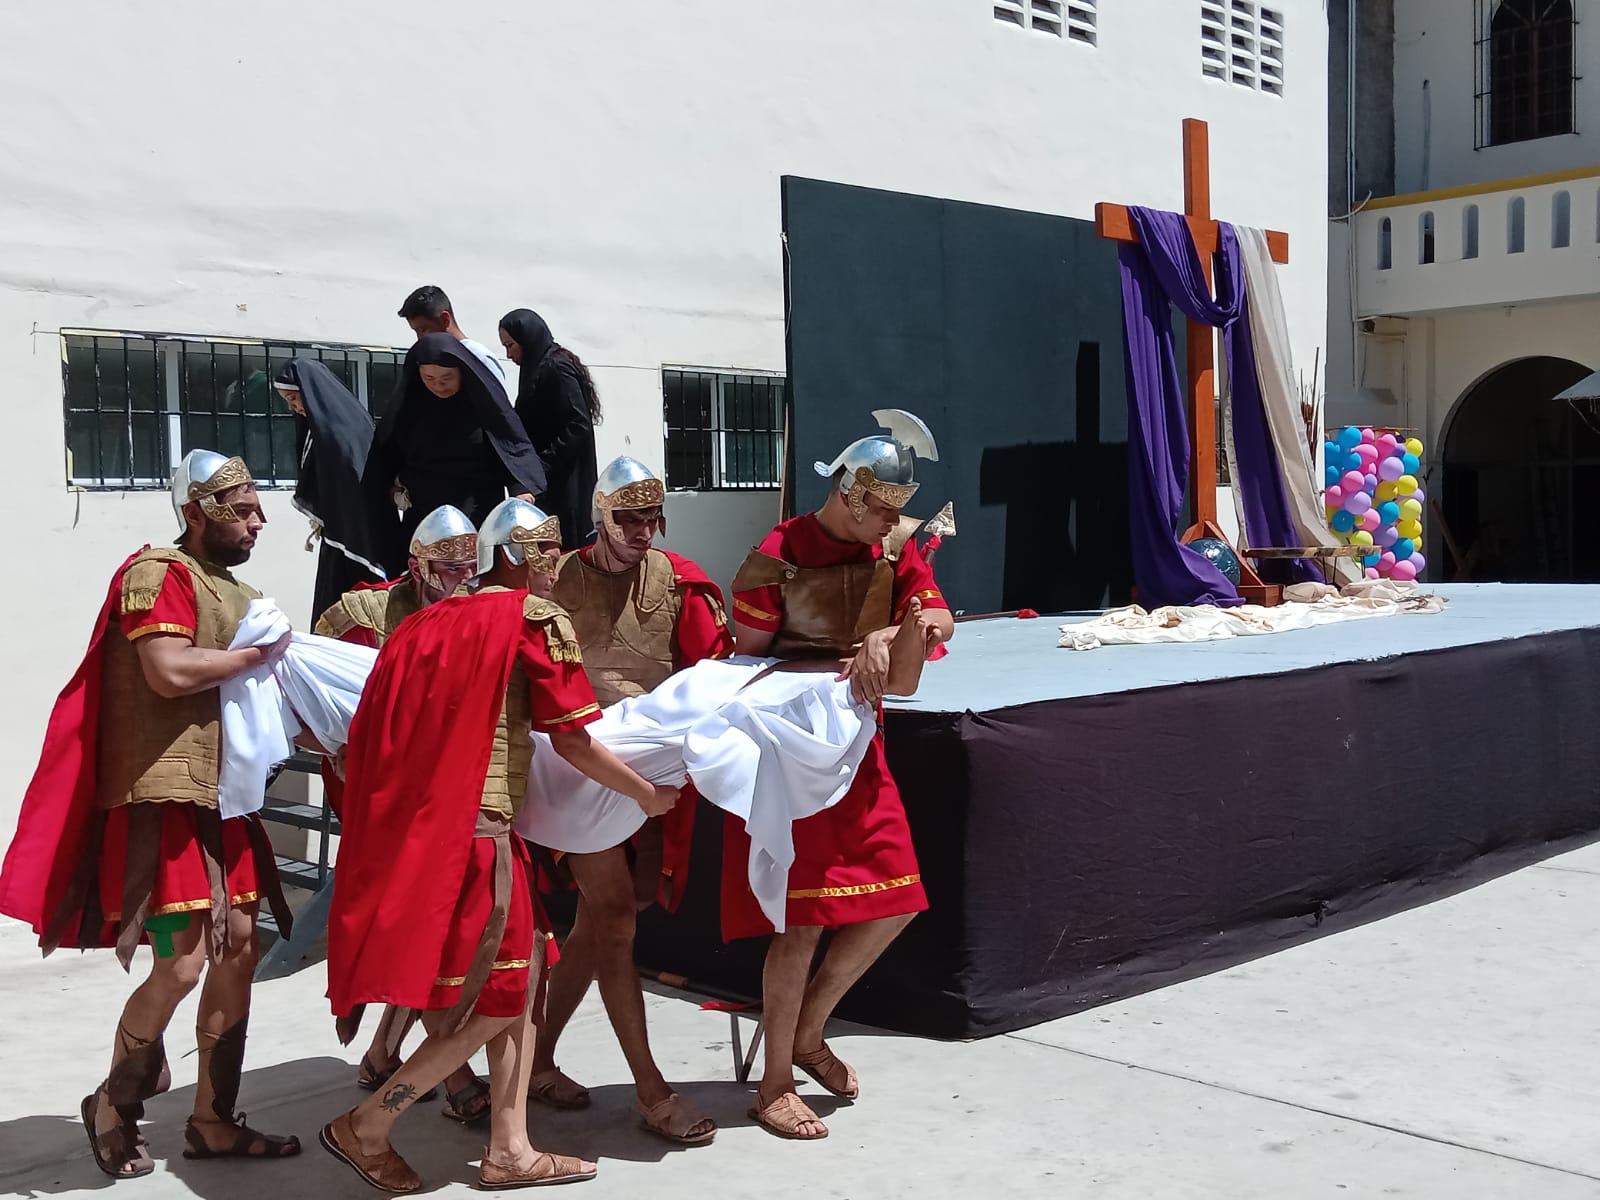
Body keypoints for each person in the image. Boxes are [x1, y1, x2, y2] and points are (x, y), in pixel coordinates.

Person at [320, 506, 680, 1192]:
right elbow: (572, 739)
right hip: (477, 837)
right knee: (500, 1000)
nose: (557, 567)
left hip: (431, 835)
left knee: (520, 980)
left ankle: (510, 1148)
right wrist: (644, 794)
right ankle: (370, 1120)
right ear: (520, 558)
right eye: (547, 554)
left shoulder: (423, 623)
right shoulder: (534, 620)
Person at [0, 450, 299, 1179]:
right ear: (196, 511)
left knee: (239, 952)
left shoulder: (241, 592)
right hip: (164, 800)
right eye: (242, 509)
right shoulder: (159, 573)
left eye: (259, 509)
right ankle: (114, 1101)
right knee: (182, 962)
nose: (259, 520)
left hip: (227, 799)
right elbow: (167, 672)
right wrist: (256, 657)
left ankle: (213, 1121)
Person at [724, 410, 954, 1140]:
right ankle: (773, 1086)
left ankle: (808, 1030)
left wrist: (892, 631)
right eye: (882, 508)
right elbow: (745, 661)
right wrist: (826, 668)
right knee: (800, 923)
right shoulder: (778, 553)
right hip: (792, 752)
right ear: (851, 494)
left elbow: (939, 619)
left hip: (860, 746)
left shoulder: (892, 547)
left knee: (897, 898)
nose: (891, 522)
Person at [529, 458, 731, 1142]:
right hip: (574, 767)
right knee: (614, 919)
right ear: (600, 516)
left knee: (598, 924)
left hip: (647, 770)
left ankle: (536, 1061)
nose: (642, 531)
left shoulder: (680, 583)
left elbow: (712, 675)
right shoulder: (553, 580)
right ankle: (651, 1091)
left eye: (652, 518)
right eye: (628, 518)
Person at [313, 504, 495, 1125]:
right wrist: (343, 750)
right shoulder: (362, 616)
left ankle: (384, 1053)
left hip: (450, 793)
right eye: (451, 570)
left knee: (432, 929)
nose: (464, 581)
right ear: (419, 569)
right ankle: (452, 1075)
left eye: (472, 569)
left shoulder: (477, 615)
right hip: (381, 797)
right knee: (411, 926)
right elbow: (315, 696)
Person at [364, 332, 547, 570]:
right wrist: (388, 487)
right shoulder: (408, 408)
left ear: (462, 372)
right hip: (424, 513)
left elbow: (509, 446)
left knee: (472, 577)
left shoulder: (482, 404)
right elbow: (387, 453)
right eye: (429, 378)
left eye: (446, 378)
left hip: (475, 508)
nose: (438, 385)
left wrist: (519, 489)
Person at [272, 359, 389, 622]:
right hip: (339, 532)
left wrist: (343, 522)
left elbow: (351, 483)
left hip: (356, 535)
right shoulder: (326, 425)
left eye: (293, 398)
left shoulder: (340, 431)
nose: (292, 407)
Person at [498, 309, 600, 550]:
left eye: (510, 345)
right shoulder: (536, 368)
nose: (508, 354)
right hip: (550, 483)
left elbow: (579, 423)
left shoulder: (556, 367)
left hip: (566, 483)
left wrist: (543, 465)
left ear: (527, 338)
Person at [398, 284, 507, 384]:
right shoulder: (427, 362)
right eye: (416, 331)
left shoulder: (479, 359)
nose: (419, 338)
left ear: (445, 319)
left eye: (423, 329)